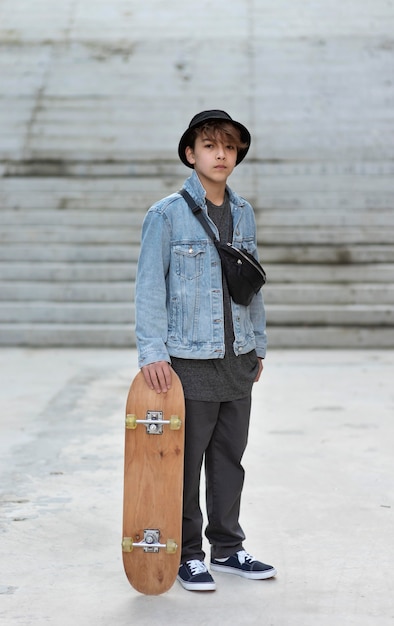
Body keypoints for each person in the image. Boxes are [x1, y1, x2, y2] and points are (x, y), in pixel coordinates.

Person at [135, 110, 276, 591]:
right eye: (211, 146)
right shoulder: (166, 214)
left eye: (230, 147)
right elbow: (150, 287)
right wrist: (153, 352)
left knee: (229, 460)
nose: (222, 155)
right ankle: (187, 554)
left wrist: (257, 345)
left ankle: (229, 548)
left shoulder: (243, 212)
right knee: (185, 461)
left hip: (236, 359)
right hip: (189, 360)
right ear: (191, 154)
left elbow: (250, 286)